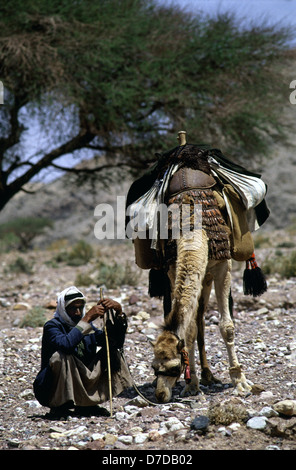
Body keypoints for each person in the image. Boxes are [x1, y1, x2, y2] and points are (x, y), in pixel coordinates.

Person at [33, 286, 132, 417]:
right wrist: (87, 318)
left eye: (80, 308)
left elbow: (114, 343)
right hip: (51, 390)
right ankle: (61, 405)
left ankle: (87, 404)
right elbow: (66, 344)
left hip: (83, 382)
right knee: (61, 356)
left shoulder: (87, 327)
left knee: (111, 351)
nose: (78, 313)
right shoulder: (52, 326)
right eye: (73, 308)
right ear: (63, 308)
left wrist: (118, 312)